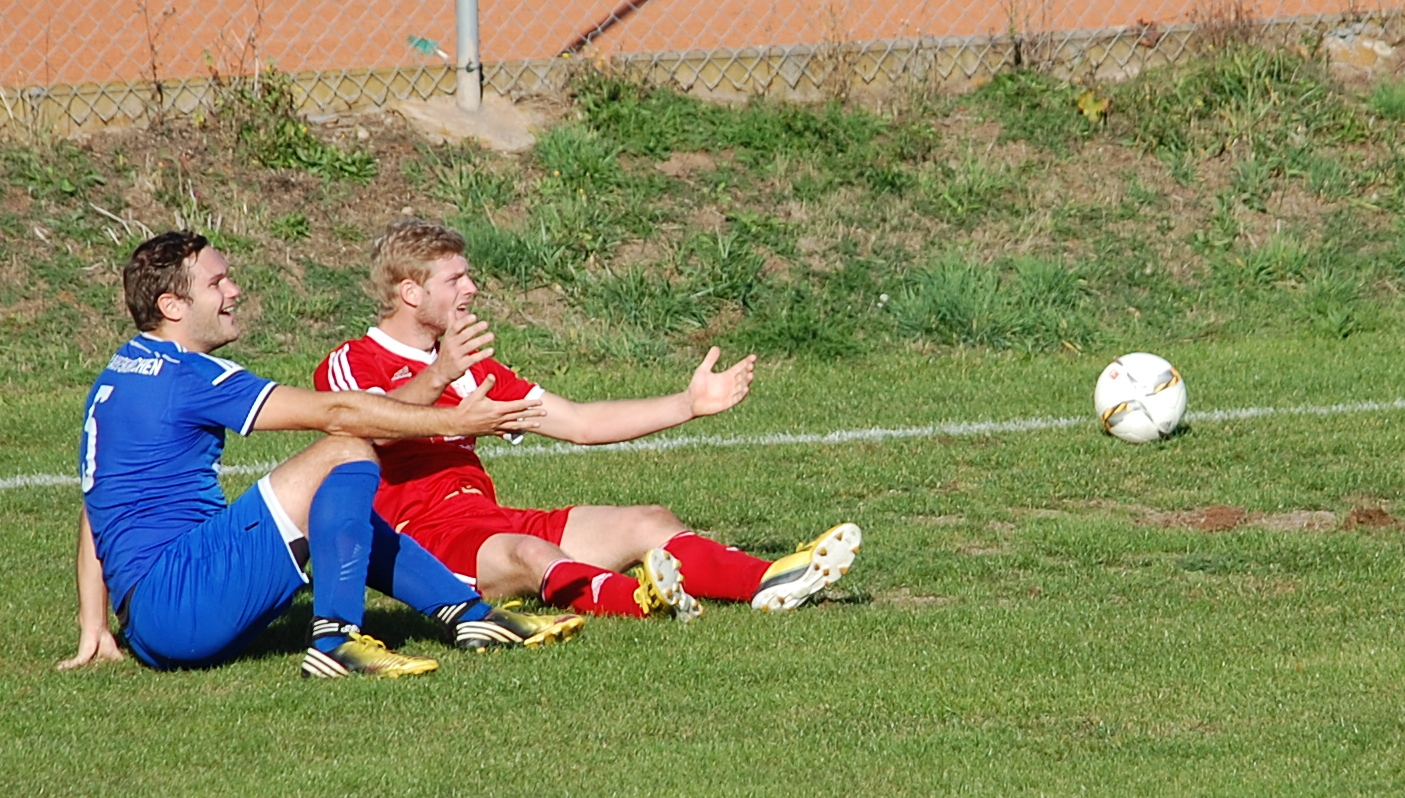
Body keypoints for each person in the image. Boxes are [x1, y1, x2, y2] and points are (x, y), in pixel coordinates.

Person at [61, 231, 583, 679]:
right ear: (173, 306)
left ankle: (468, 615)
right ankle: (335, 640)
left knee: (333, 496)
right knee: (345, 448)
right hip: (185, 603)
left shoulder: (122, 371)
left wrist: (95, 625)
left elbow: (97, 501)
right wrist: (456, 422)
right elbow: (337, 412)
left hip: (152, 622)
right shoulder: (188, 375)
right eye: (217, 283)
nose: (233, 291)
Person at [313, 219, 861, 621]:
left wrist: (686, 404)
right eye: (455, 279)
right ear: (411, 292)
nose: (471, 289)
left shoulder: (467, 365)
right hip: (421, 541)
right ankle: (641, 601)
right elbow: (367, 427)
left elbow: (578, 422)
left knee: (649, 521)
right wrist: (440, 377)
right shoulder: (353, 361)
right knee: (532, 553)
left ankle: (767, 581)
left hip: (487, 517)